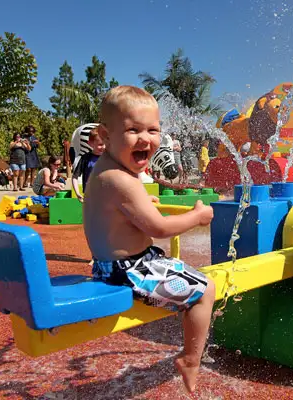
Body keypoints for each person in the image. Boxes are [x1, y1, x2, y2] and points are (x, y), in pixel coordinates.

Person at [83, 86, 215, 392]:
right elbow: (159, 228)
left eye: (153, 129)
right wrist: (197, 217)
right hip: (129, 271)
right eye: (133, 130)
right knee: (205, 290)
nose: (146, 138)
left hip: (113, 265)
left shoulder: (108, 171)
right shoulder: (121, 181)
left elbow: (121, 214)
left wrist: (143, 208)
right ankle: (191, 359)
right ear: (105, 135)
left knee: (178, 266)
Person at [71, 127, 105, 202]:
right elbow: (75, 177)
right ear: (90, 143)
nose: (103, 147)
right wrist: (77, 193)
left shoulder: (109, 158)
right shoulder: (85, 158)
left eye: (106, 144)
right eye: (100, 144)